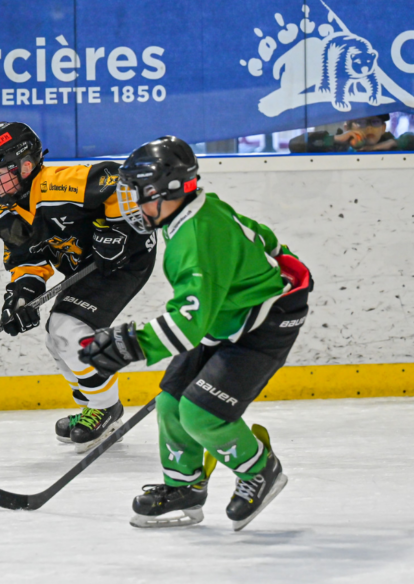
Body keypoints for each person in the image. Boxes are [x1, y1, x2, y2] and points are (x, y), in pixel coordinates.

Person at [78, 136, 312, 530]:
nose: (133, 203)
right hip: (229, 314)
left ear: (164, 191)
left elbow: (188, 325)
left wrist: (131, 344)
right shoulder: (190, 213)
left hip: (265, 322)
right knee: (170, 402)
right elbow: (261, 237)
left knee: (201, 413)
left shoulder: (195, 235)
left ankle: (259, 468)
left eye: (138, 193)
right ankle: (184, 487)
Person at [0, 122, 158, 451]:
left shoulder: (60, 184)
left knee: (66, 328)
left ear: (26, 165)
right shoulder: (7, 215)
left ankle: (104, 408)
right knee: (57, 341)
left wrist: (117, 228)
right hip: (87, 270)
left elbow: (122, 180)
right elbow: (28, 262)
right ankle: (95, 404)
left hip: (125, 259)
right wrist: (20, 298)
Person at [289, 113, 414, 153]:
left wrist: (393, 143)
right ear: (347, 127)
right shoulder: (337, 147)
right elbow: (295, 145)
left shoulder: (393, 147)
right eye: (361, 122)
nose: (369, 128)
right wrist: (334, 139)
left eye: (375, 122)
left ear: (383, 128)